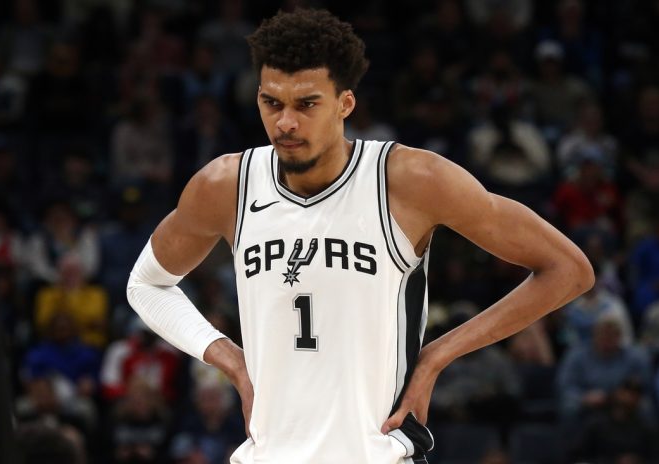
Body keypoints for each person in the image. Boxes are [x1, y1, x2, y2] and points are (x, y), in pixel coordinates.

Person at [126, 9, 594, 464]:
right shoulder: (226, 185)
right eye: (272, 103)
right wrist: (229, 359)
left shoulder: (409, 180)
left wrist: (437, 356)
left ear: (345, 103)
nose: (285, 122)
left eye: (307, 104)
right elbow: (146, 284)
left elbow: (568, 270)